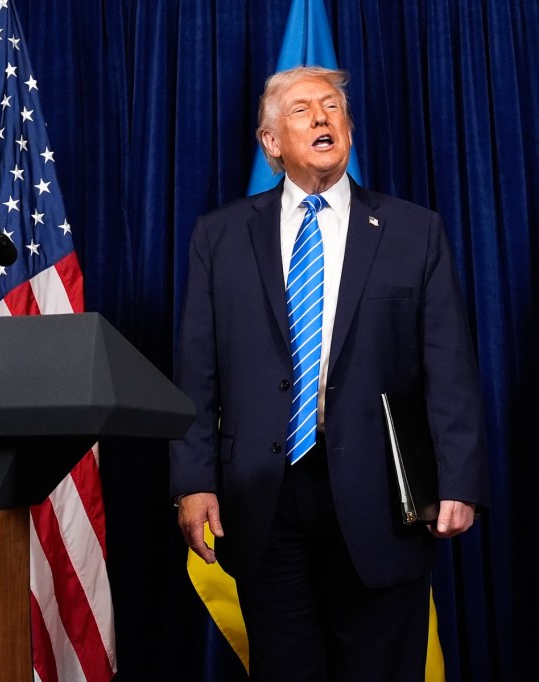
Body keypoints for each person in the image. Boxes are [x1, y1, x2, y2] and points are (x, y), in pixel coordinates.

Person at [170, 66, 489, 681]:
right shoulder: (220, 235)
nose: (321, 118)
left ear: (347, 128)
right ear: (271, 142)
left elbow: (449, 365)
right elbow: (197, 371)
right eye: (301, 110)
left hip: (383, 500)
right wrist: (192, 481)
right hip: (263, 499)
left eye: (332, 107)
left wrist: (459, 480)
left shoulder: (414, 230)